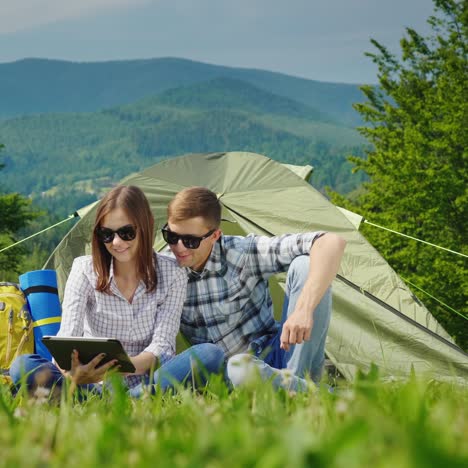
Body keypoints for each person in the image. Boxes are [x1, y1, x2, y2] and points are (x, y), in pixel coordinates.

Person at [11, 185, 224, 398]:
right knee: (23, 365)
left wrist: (118, 367)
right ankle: (115, 398)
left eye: (126, 233)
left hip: (148, 380)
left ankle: (116, 398)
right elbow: (68, 334)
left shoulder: (173, 273)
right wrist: (73, 374)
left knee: (210, 355)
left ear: (146, 226)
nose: (116, 242)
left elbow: (163, 346)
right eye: (107, 234)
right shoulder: (84, 269)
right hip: (91, 382)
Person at [162, 187, 346, 391]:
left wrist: (303, 310)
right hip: (230, 376)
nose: (178, 247)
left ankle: (296, 384)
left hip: (280, 354)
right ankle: (317, 395)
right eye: (171, 236)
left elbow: (331, 242)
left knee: (305, 264)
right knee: (239, 368)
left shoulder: (243, 253)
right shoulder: (163, 269)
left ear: (215, 236)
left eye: (190, 241)